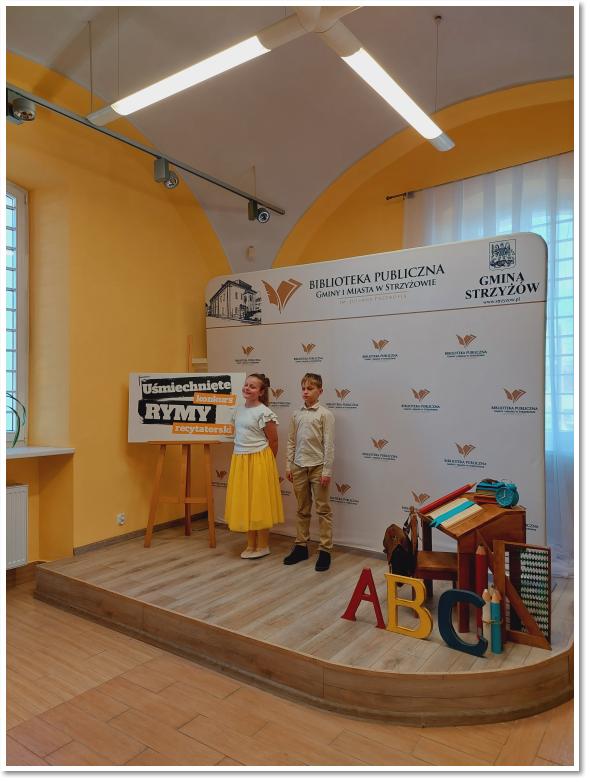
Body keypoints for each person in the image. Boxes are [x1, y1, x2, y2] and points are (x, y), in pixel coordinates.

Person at [225, 373, 284, 558]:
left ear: (261, 392)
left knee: (259, 502)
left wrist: (268, 464)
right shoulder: (238, 410)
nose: (247, 388)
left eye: (252, 386)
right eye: (246, 385)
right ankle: (250, 544)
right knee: (247, 502)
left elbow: (273, 441)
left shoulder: (264, 412)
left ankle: (263, 545)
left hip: (259, 459)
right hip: (240, 459)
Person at [284, 373, 335, 571]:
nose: (306, 392)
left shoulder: (325, 415)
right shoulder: (296, 414)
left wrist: (326, 470)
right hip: (298, 466)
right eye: (303, 388)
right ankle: (301, 546)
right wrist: (289, 465)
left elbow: (328, 444)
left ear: (320, 391)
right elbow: (291, 441)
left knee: (323, 509)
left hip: (318, 467)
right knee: (302, 509)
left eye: (310, 388)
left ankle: (325, 550)